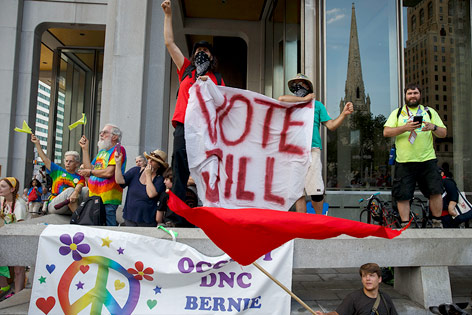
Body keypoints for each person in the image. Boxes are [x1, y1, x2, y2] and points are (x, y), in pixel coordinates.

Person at [161, 0, 225, 224]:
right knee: (179, 172)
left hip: (205, 132)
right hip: (183, 127)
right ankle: (175, 217)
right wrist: (168, 14)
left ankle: (205, 216)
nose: (201, 53)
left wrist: (209, 85)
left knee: (205, 173)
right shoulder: (186, 70)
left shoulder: (217, 79)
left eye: (205, 51)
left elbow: (223, 105)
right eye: (198, 50)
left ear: (211, 56)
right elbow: (170, 43)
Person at [278, 73, 353, 213]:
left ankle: (319, 221)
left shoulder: (317, 106)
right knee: (298, 192)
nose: (298, 86)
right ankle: (302, 225)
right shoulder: (290, 104)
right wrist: (303, 98)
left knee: (316, 190)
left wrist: (343, 114)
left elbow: (331, 125)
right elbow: (281, 99)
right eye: (296, 84)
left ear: (308, 87)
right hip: (294, 151)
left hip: (312, 149)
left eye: (302, 83)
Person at [383, 83, 447, 228]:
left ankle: (437, 222)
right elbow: (386, 132)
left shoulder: (429, 112)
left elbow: (443, 133)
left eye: (415, 93)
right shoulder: (398, 113)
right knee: (402, 194)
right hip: (404, 161)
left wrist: (433, 127)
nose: (413, 96)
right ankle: (405, 224)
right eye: (410, 93)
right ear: (405, 96)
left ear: (420, 95)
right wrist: (405, 127)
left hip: (427, 160)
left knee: (435, 191)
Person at [79, 124, 126, 226]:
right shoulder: (102, 152)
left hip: (108, 198)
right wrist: (85, 149)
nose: (101, 134)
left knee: (109, 230)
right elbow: (89, 167)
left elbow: (108, 172)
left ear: (115, 137)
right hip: (95, 196)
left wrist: (90, 172)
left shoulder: (118, 149)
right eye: (101, 132)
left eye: (104, 132)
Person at [31, 134, 86, 214]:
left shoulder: (80, 178)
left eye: (71, 161)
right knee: (69, 190)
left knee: (86, 190)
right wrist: (37, 144)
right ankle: (79, 218)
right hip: (55, 205)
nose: (68, 163)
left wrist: (76, 192)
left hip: (70, 205)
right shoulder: (58, 171)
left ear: (77, 164)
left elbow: (80, 186)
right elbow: (44, 159)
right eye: (66, 161)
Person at [314, 263, 398, 315]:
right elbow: (337, 314)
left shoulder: (385, 298)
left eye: (371, 275)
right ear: (362, 279)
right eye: (364, 276)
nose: (367, 279)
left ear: (379, 279)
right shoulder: (353, 298)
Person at [115, 149, 167, 227]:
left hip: (147, 219)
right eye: (149, 158)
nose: (150, 161)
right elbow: (120, 180)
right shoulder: (136, 171)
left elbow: (151, 194)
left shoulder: (160, 179)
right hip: (130, 216)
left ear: (159, 165)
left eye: (153, 160)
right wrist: (118, 163)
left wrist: (148, 175)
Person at [0, 177, 27, 299]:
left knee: (18, 269)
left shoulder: (19, 205)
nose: (0, 189)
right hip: (7, 237)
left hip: (19, 238)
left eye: (3, 186)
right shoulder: (3, 200)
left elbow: (21, 227)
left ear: (12, 189)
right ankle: (4, 287)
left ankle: (17, 296)